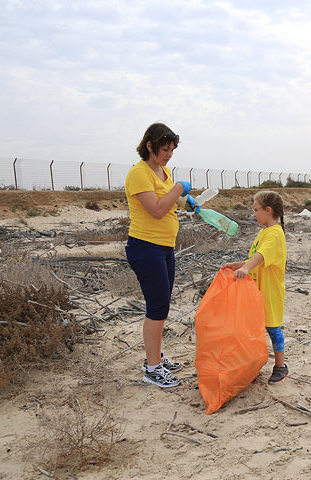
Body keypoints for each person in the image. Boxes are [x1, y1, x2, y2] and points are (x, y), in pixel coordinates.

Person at [125, 122, 193, 388]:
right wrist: (178, 189)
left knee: (162, 305)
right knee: (156, 307)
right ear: (150, 145)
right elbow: (155, 209)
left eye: (173, 150)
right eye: (165, 149)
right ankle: (152, 368)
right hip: (145, 247)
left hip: (164, 247)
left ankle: (155, 358)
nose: (169, 155)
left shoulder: (162, 170)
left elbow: (170, 202)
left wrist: (186, 201)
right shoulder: (139, 173)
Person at [222, 191, 289, 384]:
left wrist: (246, 267)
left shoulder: (276, 233)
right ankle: (253, 364)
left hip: (270, 291)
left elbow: (262, 255)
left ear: (268, 210)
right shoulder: (264, 232)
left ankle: (280, 366)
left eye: (256, 210)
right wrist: (238, 264)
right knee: (256, 327)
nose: (254, 214)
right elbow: (256, 257)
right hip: (258, 289)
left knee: (272, 327)